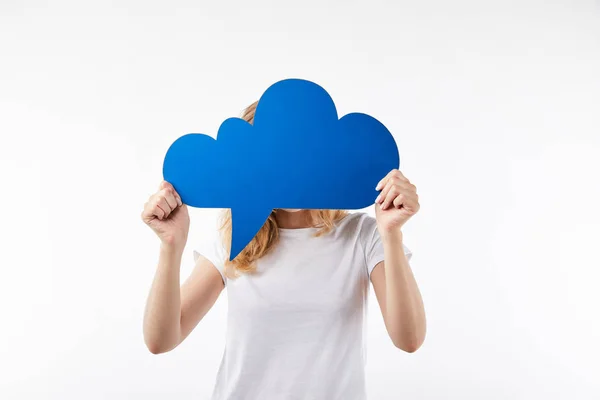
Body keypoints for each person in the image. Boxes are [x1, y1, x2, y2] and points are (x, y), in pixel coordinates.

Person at [141, 102, 426, 400]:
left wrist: (391, 234)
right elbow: (161, 340)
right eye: (275, 156)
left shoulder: (362, 236)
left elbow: (409, 339)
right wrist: (170, 247)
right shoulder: (233, 243)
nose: (289, 170)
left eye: (300, 152)